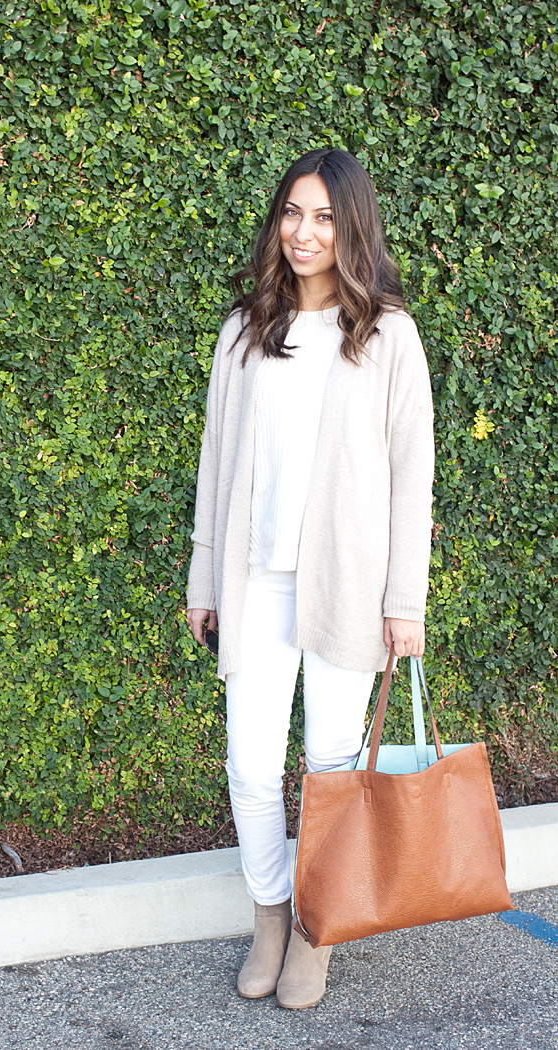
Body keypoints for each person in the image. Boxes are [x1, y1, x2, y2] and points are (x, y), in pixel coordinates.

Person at [186, 148, 434, 1010]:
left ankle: (313, 929)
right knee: (252, 764)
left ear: (351, 228)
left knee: (331, 769)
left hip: (350, 584)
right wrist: (204, 580)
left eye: (325, 217)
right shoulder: (246, 330)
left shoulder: (389, 335)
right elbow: (215, 464)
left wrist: (405, 603)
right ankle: (268, 915)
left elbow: (412, 477)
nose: (304, 232)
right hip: (258, 580)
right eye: (293, 212)